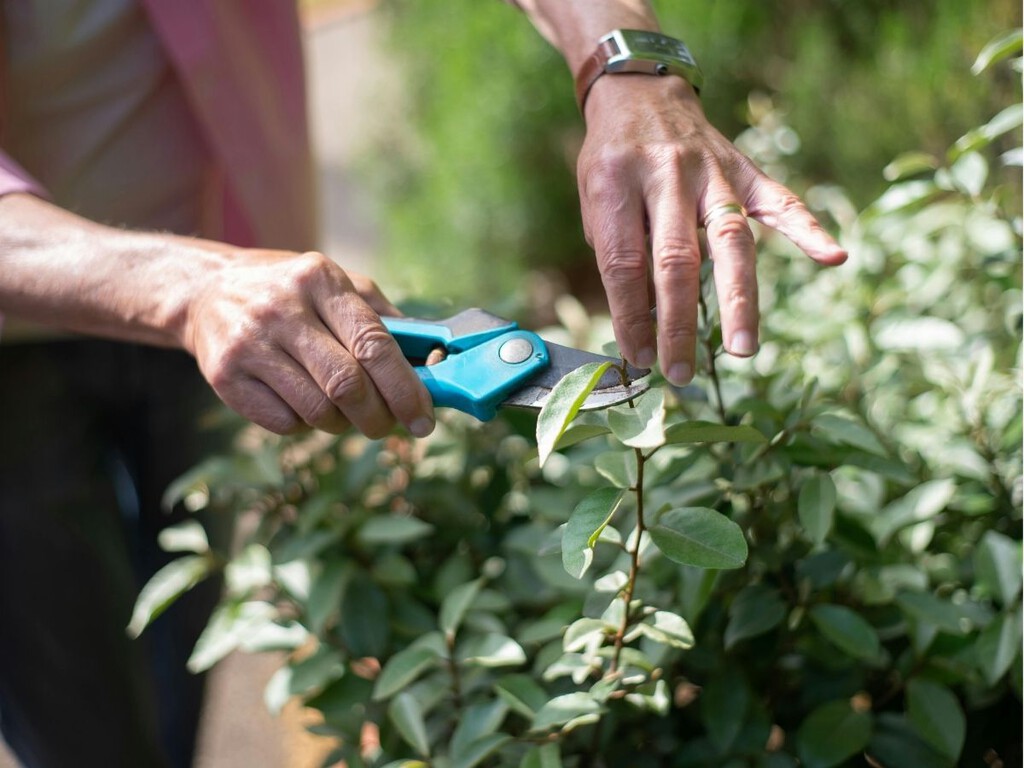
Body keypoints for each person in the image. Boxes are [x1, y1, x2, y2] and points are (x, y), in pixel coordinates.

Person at [0, 1, 846, 766]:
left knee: (180, 638)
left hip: (235, 277)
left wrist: (623, 60)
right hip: (48, 324)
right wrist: (184, 288)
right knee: (75, 712)